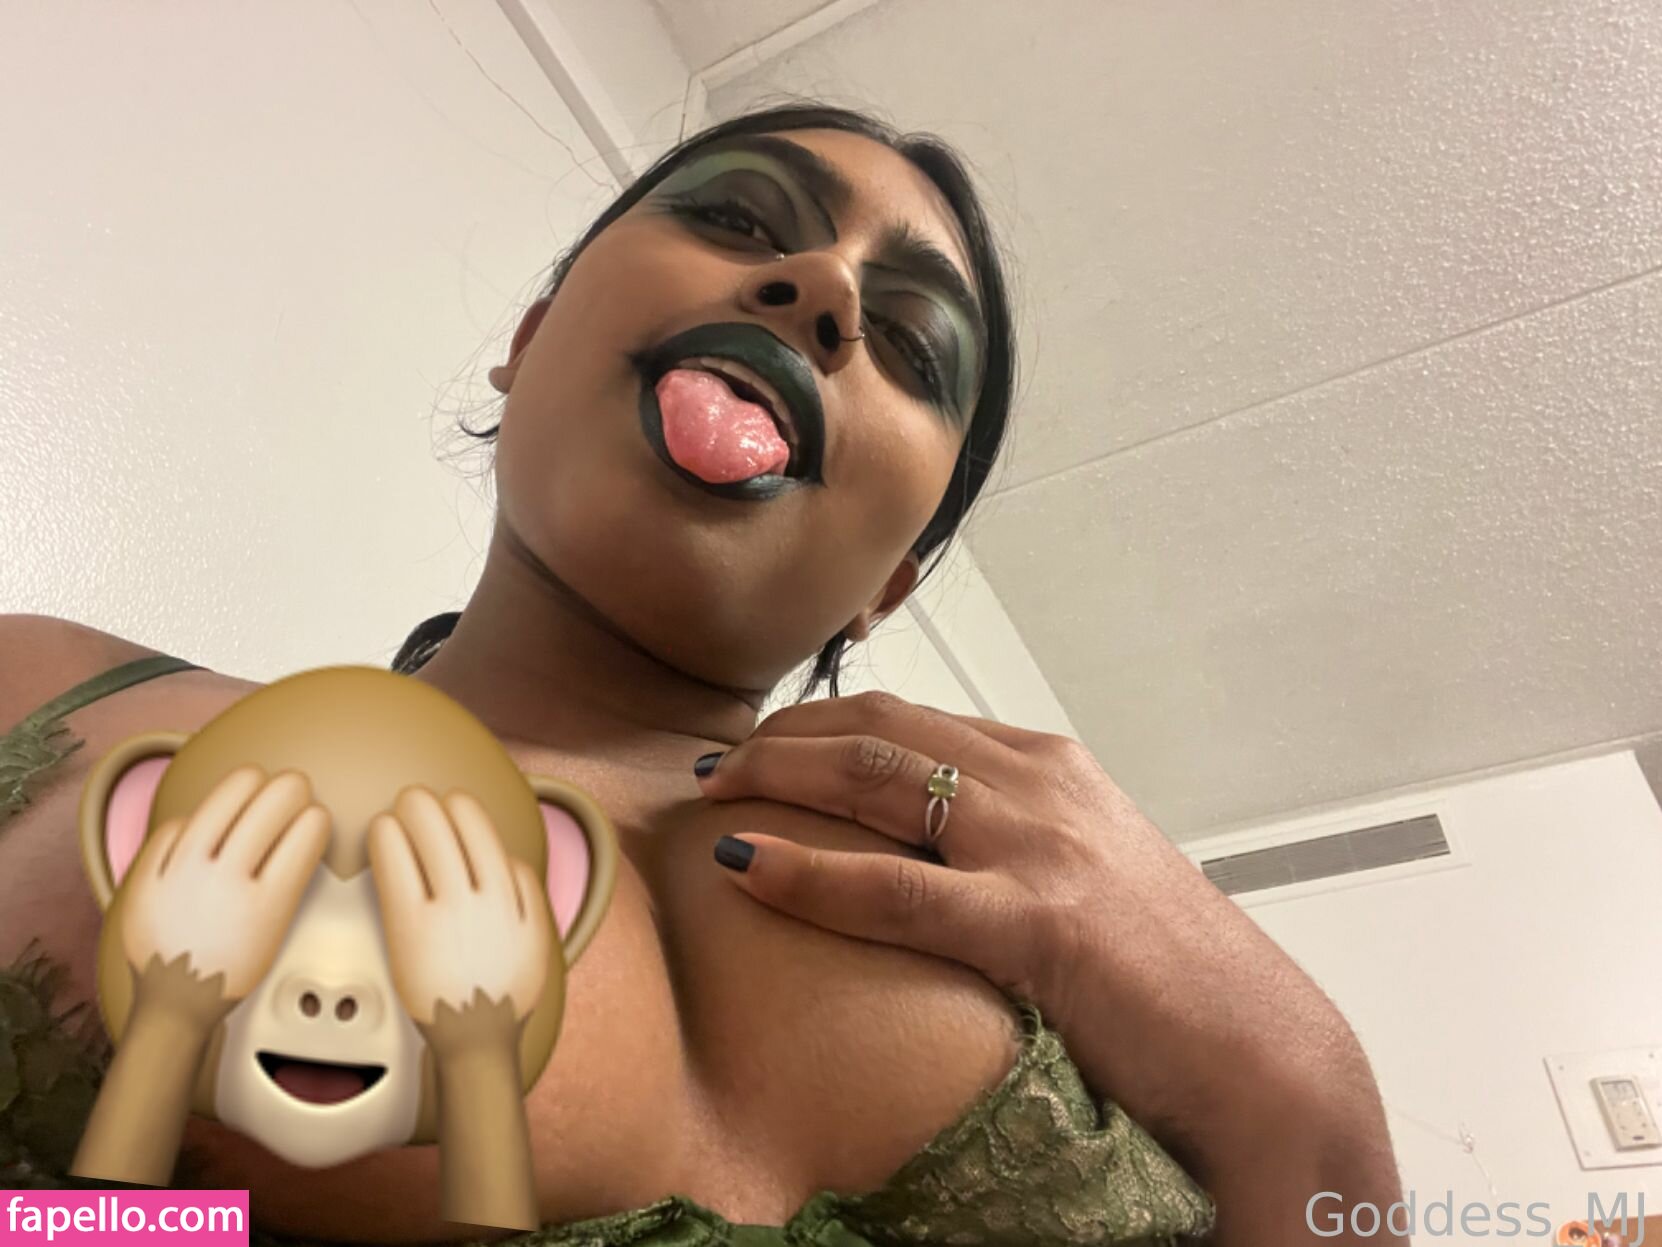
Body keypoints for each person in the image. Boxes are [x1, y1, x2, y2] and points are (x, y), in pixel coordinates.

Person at [0, 102, 1403, 1245]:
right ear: (529, 344)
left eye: (912, 345)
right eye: (737, 218)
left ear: (893, 583)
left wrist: (1310, 1089)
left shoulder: (1060, 924)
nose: (824, 289)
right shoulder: (44, 685)